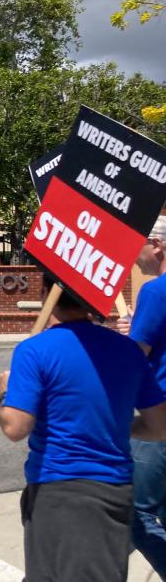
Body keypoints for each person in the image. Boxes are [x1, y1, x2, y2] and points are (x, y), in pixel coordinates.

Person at [0, 281, 166, 581]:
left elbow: (14, 427)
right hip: (113, 489)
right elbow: (159, 426)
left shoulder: (34, 350)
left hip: (55, 488)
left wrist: (4, 393)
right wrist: (114, 426)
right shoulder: (127, 350)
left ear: (45, 297)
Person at [117, 214, 166, 574]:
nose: (134, 257)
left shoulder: (155, 290)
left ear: (158, 245)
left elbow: (136, 356)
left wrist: (124, 337)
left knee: (136, 515)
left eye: (139, 246)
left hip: (158, 416)